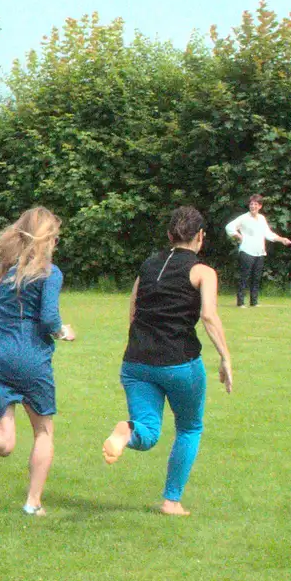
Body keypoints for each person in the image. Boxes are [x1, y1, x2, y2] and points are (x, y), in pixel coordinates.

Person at [103, 206, 233, 516]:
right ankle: (171, 501)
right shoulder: (203, 272)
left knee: (147, 433)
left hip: (135, 362)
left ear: (169, 235)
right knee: (189, 428)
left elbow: (133, 312)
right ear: (200, 236)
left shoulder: (147, 266)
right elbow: (209, 316)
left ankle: (126, 433)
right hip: (179, 363)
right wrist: (226, 358)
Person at [0, 208, 77, 515]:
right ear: (47, 239)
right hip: (30, 358)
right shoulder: (49, 272)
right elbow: (48, 318)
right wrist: (63, 332)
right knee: (43, 431)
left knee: (5, 442)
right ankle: (33, 504)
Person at [224, 194, 290, 307]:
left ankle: (254, 302)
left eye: (255, 204)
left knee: (256, 278)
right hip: (246, 251)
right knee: (244, 277)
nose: (253, 206)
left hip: (259, 252)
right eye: (251, 204)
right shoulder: (244, 217)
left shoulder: (262, 219)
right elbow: (229, 227)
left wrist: (281, 239)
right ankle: (240, 303)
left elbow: (268, 234)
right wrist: (239, 236)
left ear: (260, 206)